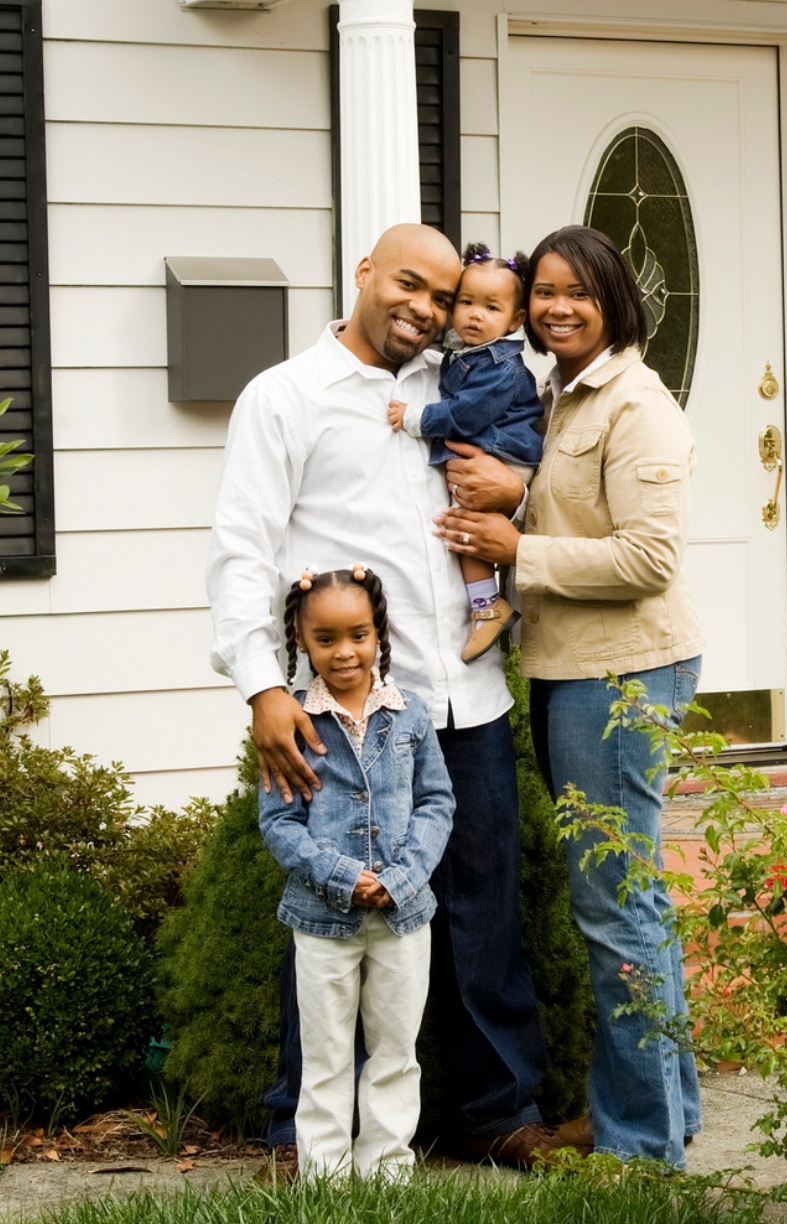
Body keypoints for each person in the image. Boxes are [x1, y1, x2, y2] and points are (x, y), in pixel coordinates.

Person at [208, 223, 568, 1169]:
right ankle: (303, 1130)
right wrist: (261, 689)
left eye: (445, 298)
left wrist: (517, 491)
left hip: (468, 696)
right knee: (330, 917)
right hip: (349, 717)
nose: (426, 309)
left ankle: (498, 1111)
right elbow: (243, 551)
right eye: (410, 284)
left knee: (484, 908)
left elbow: (517, 500)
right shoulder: (286, 397)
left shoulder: (458, 392)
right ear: (365, 274)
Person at [437, 225, 706, 1167]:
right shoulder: (560, 394)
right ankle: (660, 1111)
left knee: (616, 907)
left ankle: (641, 1144)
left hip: (621, 674)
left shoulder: (637, 405)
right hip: (572, 668)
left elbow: (647, 557)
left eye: (576, 294)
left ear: (614, 300)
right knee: (629, 901)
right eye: (541, 291)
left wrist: (519, 552)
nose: (555, 308)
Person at [259, 565, 451, 1179]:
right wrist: (344, 876)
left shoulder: (410, 714)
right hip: (322, 918)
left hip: (403, 916)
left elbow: (436, 802)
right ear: (300, 641)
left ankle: (387, 1173)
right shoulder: (293, 721)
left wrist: (398, 878)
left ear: (379, 633)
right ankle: (325, 1178)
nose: (344, 652)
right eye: (325, 639)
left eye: (358, 635)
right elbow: (280, 824)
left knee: (395, 1050)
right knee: (326, 1054)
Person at [387, 244, 545, 662]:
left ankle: (486, 606)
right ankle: (486, 604)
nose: (475, 314)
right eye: (466, 302)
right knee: (465, 530)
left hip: (504, 454)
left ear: (515, 321)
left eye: (491, 307)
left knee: (467, 530)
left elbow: (465, 416)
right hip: (493, 448)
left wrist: (414, 418)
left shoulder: (500, 367)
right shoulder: (467, 356)